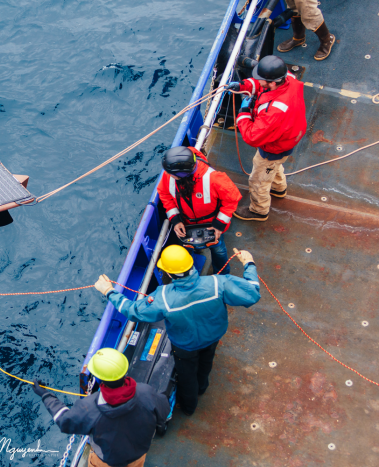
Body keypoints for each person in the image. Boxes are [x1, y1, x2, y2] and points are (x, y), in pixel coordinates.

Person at [94, 245, 260, 415]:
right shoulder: (218, 283)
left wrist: (109, 291)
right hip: (213, 337)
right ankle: (202, 387)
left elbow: (133, 311)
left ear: (169, 273)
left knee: (187, 376)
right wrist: (249, 263)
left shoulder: (163, 298)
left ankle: (189, 407)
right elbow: (252, 293)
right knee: (206, 361)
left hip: (185, 347)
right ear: (191, 266)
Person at [33, 348, 170, 467]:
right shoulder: (146, 392)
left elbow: (64, 421)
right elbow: (164, 410)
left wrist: (45, 395)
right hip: (137, 457)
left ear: (100, 378)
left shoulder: (90, 407)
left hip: (106, 462)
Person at [228, 55, 307, 222]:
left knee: (258, 180)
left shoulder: (275, 111)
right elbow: (260, 85)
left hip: (274, 147)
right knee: (274, 166)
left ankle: (258, 211)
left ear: (272, 82)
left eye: (262, 79)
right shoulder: (288, 79)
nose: (259, 81)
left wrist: (243, 113)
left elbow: (252, 136)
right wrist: (244, 86)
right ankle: (279, 188)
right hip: (287, 139)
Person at [156, 146, 242, 275]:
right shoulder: (169, 175)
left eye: (170, 173)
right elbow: (164, 194)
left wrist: (219, 225)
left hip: (212, 226)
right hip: (185, 224)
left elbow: (232, 199)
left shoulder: (214, 178)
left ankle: (223, 275)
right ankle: (189, 275)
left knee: (219, 251)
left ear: (181, 174)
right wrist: (175, 219)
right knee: (186, 251)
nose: (167, 174)